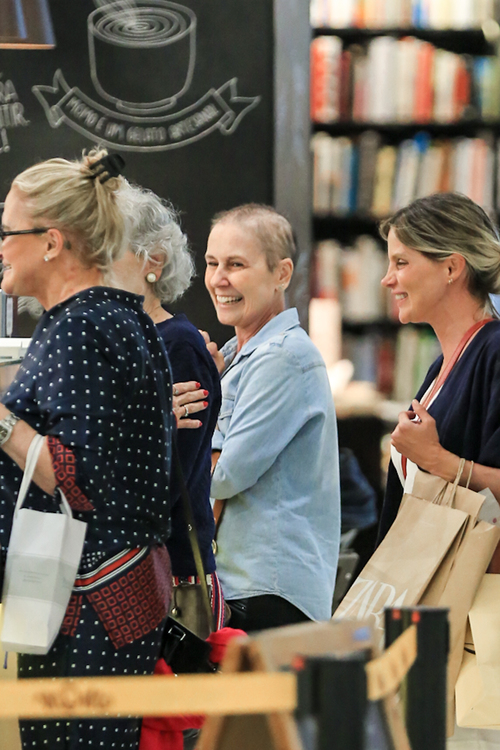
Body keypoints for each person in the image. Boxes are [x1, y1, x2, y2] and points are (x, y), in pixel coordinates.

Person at [0, 150, 174, 750]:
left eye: (8, 232)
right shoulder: (102, 318)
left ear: (51, 242)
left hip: (87, 603)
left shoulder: (82, 325)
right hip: (85, 596)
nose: (0, 246)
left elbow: (76, 477)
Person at [379, 192, 500, 748]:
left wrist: (441, 463)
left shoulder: (494, 352)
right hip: (440, 608)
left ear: (452, 267)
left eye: (402, 262)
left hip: (479, 615)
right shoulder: (441, 364)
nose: (388, 279)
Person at [205, 203, 340, 632]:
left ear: (281, 274)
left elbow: (222, 476)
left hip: (267, 592)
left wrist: (189, 425)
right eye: (212, 263)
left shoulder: (283, 357)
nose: (218, 279)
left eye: (236, 264)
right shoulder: (233, 355)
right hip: (243, 586)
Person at [113, 181, 224, 633]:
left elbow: (165, 482)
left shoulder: (178, 345)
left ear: (151, 262)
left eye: (105, 247)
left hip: (172, 580)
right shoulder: (123, 341)